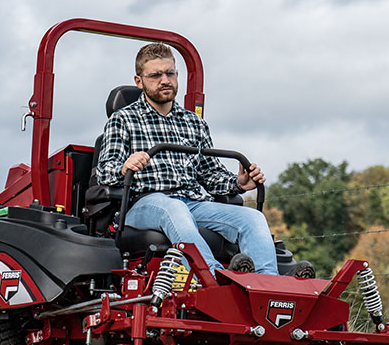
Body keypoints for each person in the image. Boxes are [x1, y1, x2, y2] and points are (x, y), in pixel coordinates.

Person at [97, 42, 313, 277]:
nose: (165, 80)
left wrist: (239, 184)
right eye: (155, 75)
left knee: (253, 218)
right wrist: (125, 166)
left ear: (177, 75)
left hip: (193, 203)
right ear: (139, 81)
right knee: (174, 208)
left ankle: (265, 284)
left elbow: (210, 174)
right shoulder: (123, 119)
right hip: (143, 203)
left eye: (170, 73)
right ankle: (213, 277)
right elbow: (105, 171)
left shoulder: (194, 123)